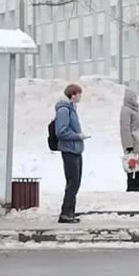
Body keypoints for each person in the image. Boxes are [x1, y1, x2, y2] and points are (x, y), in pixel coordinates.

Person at [54, 83, 89, 223]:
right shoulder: (64, 110)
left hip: (76, 149)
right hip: (69, 150)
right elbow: (61, 131)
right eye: (79, 93)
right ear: (73, 94)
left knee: (76, 181)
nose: (80, 96)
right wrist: (77, 136)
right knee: (72, 182)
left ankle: (70, 212)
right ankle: (65, 213)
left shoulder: (72, 109)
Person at [119, 89, 139, 192]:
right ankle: (131, 183)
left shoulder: (134, 109)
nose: (135, 100)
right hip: (132, 141)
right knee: (131, 162)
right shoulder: (126, 110)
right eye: (133, 98)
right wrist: (128, 144)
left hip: (138, 140)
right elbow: (125, 128)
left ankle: (135, 182)